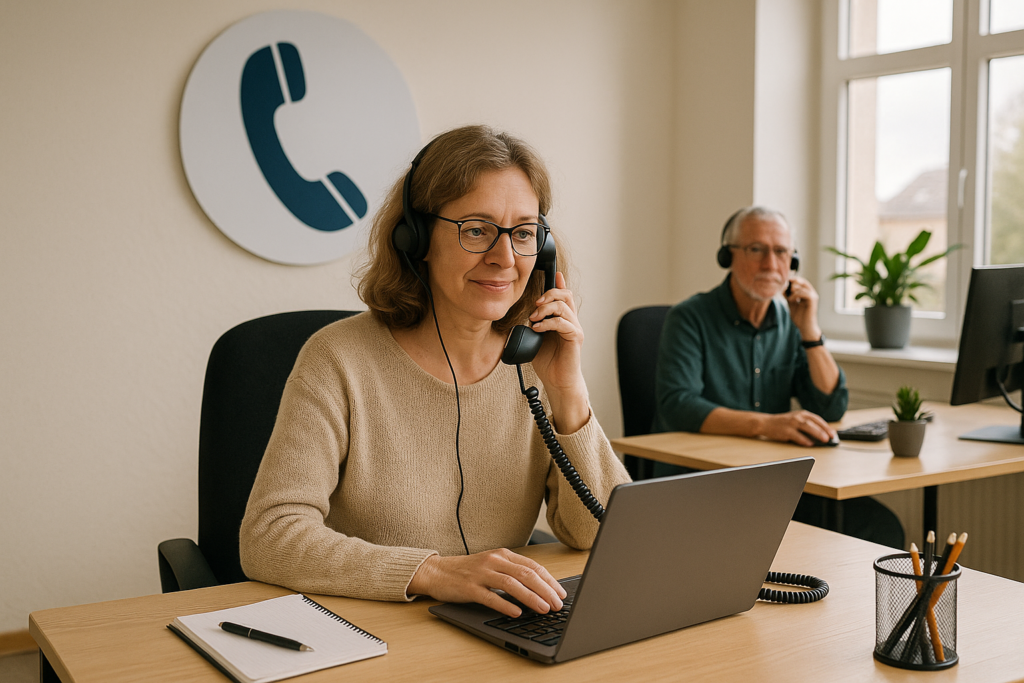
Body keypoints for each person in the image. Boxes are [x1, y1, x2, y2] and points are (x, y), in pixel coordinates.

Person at [240, 125, 631, 618]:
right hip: (367, 630)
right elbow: (268, 536)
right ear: (416, 238)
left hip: (497, 629)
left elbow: (600, 532)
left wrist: (568, 393)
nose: (505, 258)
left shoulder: (533, 362)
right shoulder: (338, 360)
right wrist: (433, 573)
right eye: (477, 229)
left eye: (525, 234)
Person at [651, 206, 903, 548]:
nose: (771, 264)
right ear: (728, 256)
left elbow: (830, 405)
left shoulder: (790, 323)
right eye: (757, 250)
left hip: (769, 483)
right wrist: (768, 425)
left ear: (793, 262)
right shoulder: (689, 318)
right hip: (701, 482)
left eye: (782, 252)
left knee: (879, 526)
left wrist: (810, 332)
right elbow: (678, 404)